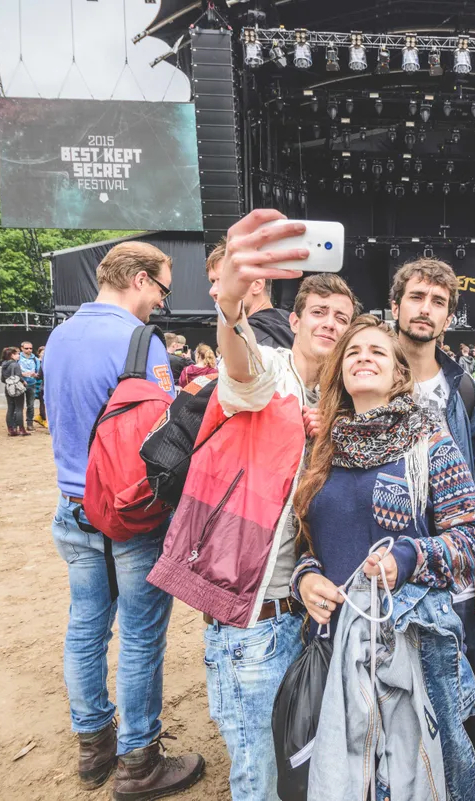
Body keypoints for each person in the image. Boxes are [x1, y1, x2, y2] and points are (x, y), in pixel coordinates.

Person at [291, 315, 475, 792]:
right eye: (353, 352)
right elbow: (306, 543)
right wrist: (306, 577)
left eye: (377, 351)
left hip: (412, 648)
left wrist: (406, 560)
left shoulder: (429, 442)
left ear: (398, 372)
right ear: (340, 370)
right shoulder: (321, 448)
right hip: (333, 649)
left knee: (413, 783)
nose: (363, 357)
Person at [43, 241, 205, 798]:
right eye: (161, 289)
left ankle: (93, 745)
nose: (161, 302)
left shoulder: (59, 336)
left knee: (85, 625)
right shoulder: (141, 341)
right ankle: (139, 760)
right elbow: (160, 438)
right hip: (130, 509)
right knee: (139, 634)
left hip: (73, 505)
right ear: (139, 279)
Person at [206, 209, 358, 801]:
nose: (330, 324)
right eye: (319, 312)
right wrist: (230, 305)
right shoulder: (269, 370)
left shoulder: (342, 400)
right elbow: (240, 364)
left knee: (300, 767)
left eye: (341, 317)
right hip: (254, 617)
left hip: (308, 612)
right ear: (293, 319)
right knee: (261, 778)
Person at [388, 258, 475, 764]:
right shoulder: (365, 378)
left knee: (470, 717)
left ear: (449, 316)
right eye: (416, 297)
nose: (425, 309)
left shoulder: (463, 388)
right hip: (394, 584)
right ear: (395, 306)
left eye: (438, 301)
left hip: (459, 580)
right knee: (395, 722)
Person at [206, 236, 296, 349]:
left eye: (224, 280)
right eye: (213, 281)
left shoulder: (253, 342)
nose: (212, 291)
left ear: (257, 285)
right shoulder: (293, 328)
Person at [0, 347, 30, 438]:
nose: (18, 355)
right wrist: (24, 382)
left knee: (10, 408)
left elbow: (2, 379)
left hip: (8, 388)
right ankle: (21, 429)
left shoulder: (4, 365)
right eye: (17, 354)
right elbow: (18, 377)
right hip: (17, 388)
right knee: (19, 409)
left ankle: (11, 430)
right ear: (12, 355)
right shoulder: (15, 365)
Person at [18, 341, 42, 434]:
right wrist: (22, 374)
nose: (29, 350)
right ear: (22, 348)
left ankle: (29, 424)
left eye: (30, 348)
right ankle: (19, 424)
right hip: (20, 384)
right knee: (19, 406)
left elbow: (38, 372)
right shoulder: (18, 358)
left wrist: (35, 375)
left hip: (32, 384)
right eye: (26, 348)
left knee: (30, 405)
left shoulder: (35, 359)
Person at [34, 345, 48, 428]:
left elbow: (39, 375)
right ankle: (44, 419)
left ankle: (41, 417)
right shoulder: (39, 362)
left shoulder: (44, 362)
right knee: (43, 403)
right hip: (41, 386)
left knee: (43, 403)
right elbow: (39, 375)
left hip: (43, 386)